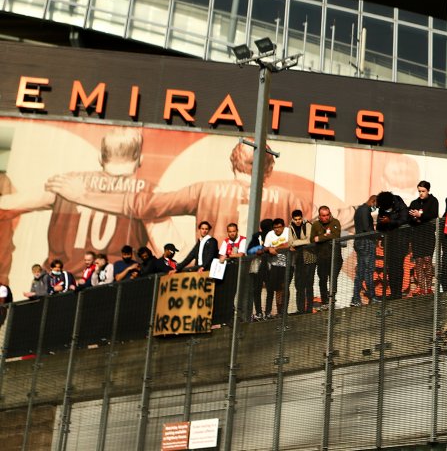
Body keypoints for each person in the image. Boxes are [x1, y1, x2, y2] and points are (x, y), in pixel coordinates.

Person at [46, 138, 311, 249]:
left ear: (233, 161)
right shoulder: (287, 198)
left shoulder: (205, 190)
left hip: (215, 272)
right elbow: (323, 226)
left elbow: (143, 206)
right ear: (270, 167)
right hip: (262, 273)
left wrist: (83, 195)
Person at [0, 128, 172, 274]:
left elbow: (7, 206)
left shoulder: (64, 183)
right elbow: (173, 253)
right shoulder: (148, 193)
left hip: (58, 291)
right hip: (115, 292)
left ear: (100, 158)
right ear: (140, 160)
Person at [375, 191, 410, 300]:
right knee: (390, 268)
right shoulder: (382, 209)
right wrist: (383, 223)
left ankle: (397, 293)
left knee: (398, 267)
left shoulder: (400, 205)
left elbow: (404, 219)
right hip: (389, 241)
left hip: (400, 240)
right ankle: (393, 292)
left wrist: (390, 221)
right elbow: (379, 226)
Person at [408, 182, 439, 296]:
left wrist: (420, 216)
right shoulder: (414, 203)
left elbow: (433, 214)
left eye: (423, 191)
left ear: (428, 191)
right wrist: (415, 218)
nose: (421, 193)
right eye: (419, 191)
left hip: (428, 234)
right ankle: (422, 288)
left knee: (427, 259)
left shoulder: (433, 201)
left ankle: (429, 287)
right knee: (418, 262)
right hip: (417, 235)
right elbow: (409, 218)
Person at [310, 206, 342, 308]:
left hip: (335, 257)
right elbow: (311, 239)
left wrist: (320, 238)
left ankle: (332, 300)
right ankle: (324, 301)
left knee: (333, 279)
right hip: (322, 257)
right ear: (319, 216)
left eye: (328, 215)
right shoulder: (315, 224)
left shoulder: (335, 222)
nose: (326, 217)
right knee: (322, 280)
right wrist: (326, 237)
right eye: (323, 215)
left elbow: (335, 235)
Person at [351, 196, 378, 306]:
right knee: (369, 270)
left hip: (359, 242)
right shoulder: (365, 210)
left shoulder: (359, 210)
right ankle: (372, 296)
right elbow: (367, 228)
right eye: (377, 205)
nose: (376, 208)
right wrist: (378, 235)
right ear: (373, 201)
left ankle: (355, 298)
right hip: (366, 243)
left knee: (361, 272)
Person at [263, 217, 291, 316]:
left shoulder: (288, 231)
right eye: (275, 227)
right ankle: (278, 311)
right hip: (275, 265)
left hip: (287, 264)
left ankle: (284, 310)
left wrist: (277, 248)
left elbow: (290, 244)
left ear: (283, 226)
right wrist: (269, 248)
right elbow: (265, 247)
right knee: (276, 288)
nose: (277, 229)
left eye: (279, 227)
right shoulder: (270, 234)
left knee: (285, 287)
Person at [288, 210, 314, 313]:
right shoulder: (290, 228)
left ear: (302, 218)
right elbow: (290, 242)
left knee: (309, 285)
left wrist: (296, 243)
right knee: (299, 285)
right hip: (298, 260)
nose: (298, 221)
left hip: (310, 258)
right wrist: (296, 243)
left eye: (299, 219)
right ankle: (300, 309)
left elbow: (309, 240)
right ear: (293, 219)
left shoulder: (307, 225)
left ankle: (309, 309)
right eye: (296, 219)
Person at [247, 219, 273, 320]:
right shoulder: (257, 236)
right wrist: (259, 249)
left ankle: (267, 312)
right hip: (258, 267)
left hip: (269, 266)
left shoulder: (273, 236)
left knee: (269, 289)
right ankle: (260, 312)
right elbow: (249, 250)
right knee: (257, 290)